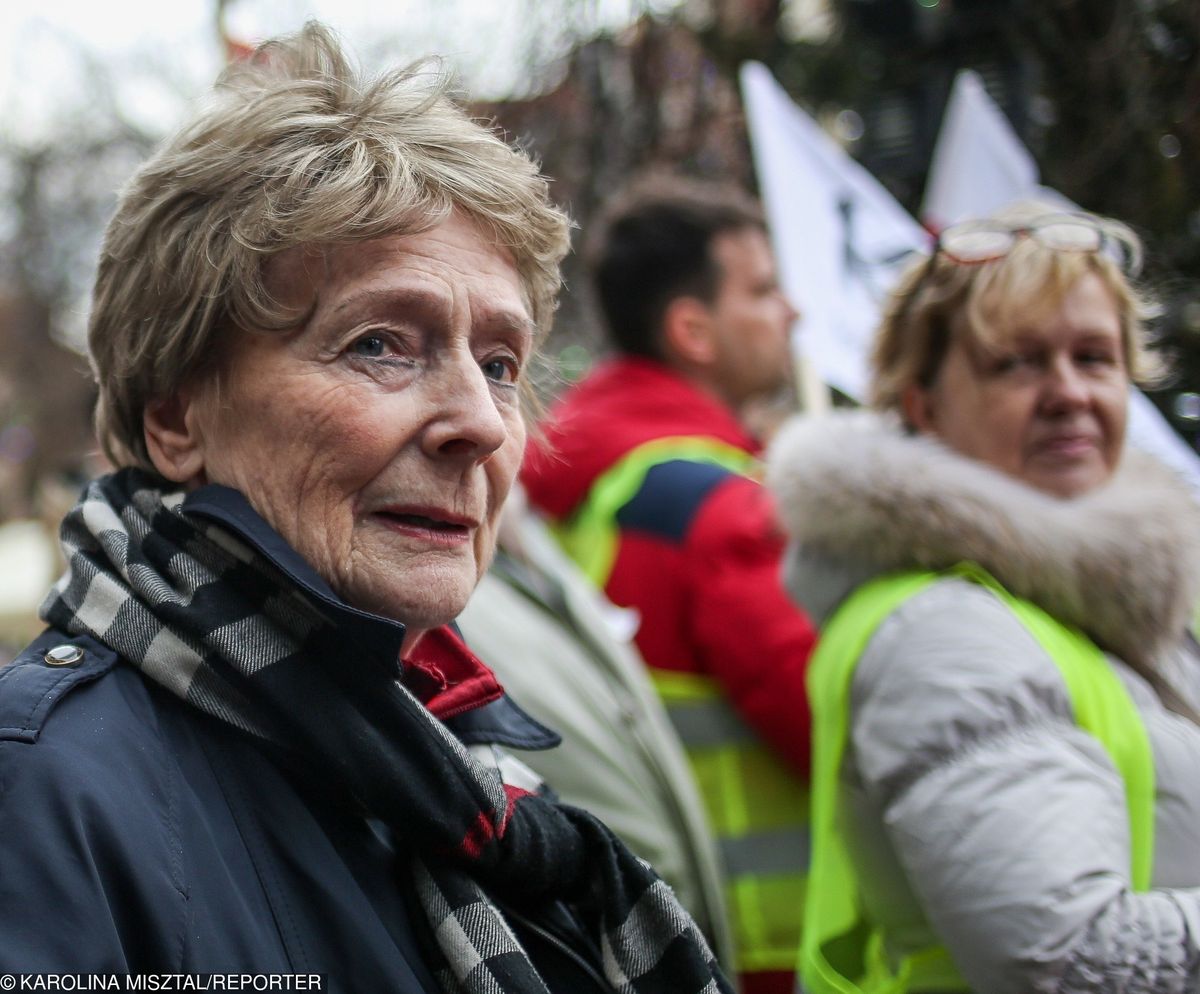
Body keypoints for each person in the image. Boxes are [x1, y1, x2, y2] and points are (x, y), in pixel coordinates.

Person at [0, 25, 731, 994]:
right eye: (382, 343)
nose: (478, 419)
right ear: (176, 418)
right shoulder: (42, 796)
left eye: (502, 363)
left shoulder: (471, 775)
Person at [766, 204, 1200, 994]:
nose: (1068, 392)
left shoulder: (1133, 597)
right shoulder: (941, 632)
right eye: (1018, 363)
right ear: (923, 405)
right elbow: (1067, 962)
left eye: (1095, 358)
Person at [523, 175, 818, 994]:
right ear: (693, 329)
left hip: (644, 928)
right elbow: (844, 728)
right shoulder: (720, 507)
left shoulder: (584, 481)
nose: (790, 312)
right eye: (762, 290)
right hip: (772, 951)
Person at [456, 484, 736, 970]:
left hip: (663, 930)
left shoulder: (527, 539)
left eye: (505, 401)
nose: (485, 427)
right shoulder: (427, 579)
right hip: (588, 945)